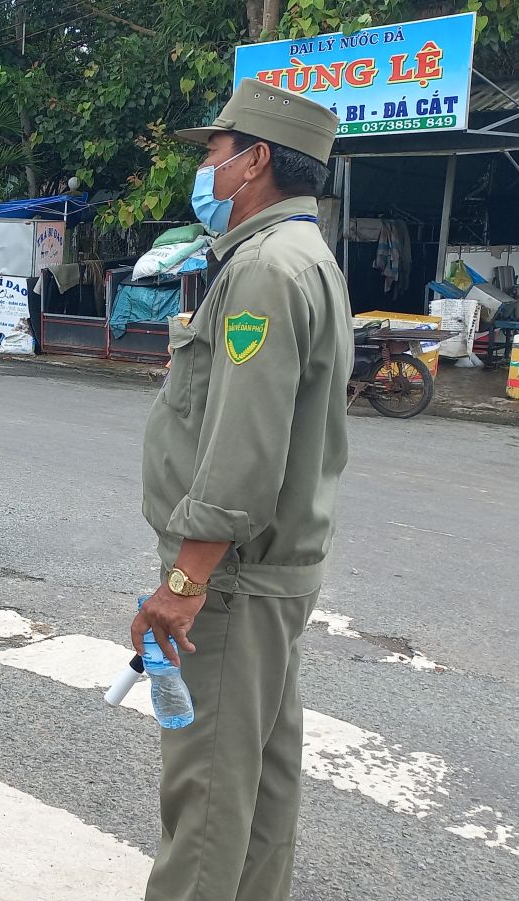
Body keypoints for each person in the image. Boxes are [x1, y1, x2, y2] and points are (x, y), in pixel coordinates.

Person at [133, 78, 351, 901]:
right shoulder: (304, 257)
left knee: (209, 805)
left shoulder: (264, 269)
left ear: (255, 159)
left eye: (214, 153)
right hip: (270, 580)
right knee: (258, 793)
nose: (207, 171)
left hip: (230, 581)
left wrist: (185, 582)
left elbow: (242, 451)